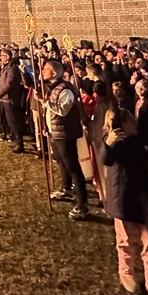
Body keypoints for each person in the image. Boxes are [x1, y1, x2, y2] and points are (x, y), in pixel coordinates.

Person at [102, 106, 148, 295]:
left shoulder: (139, 141)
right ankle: (126, 273)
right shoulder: (115, 143)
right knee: (125, 240)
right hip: (122, 195)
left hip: (141, 195)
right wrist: (109, 145)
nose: (134, 123)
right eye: (130, 121)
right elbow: (106, 159)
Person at [41, 59, 89, 220]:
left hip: (66, 133)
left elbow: (62, 111)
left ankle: (82, 204)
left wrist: (44, 102)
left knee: (72, 166)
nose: (43, 71)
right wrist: (47, 127)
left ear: (54, 72)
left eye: (46, 69)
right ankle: (66, 188)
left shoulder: (66, 90)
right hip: (56, 131)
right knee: (62, 161)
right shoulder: (53, 87)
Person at [0, 48, 26, 153]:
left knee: (14, 122)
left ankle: (19, 143)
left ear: (7, 57)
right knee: (8, 122)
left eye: (2, 55)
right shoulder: (5, 67)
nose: (0, 58)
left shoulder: (12, 69)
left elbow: (9, 84)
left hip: (10, 99)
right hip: (4, 99)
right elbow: (1, 82)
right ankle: (14, 140)